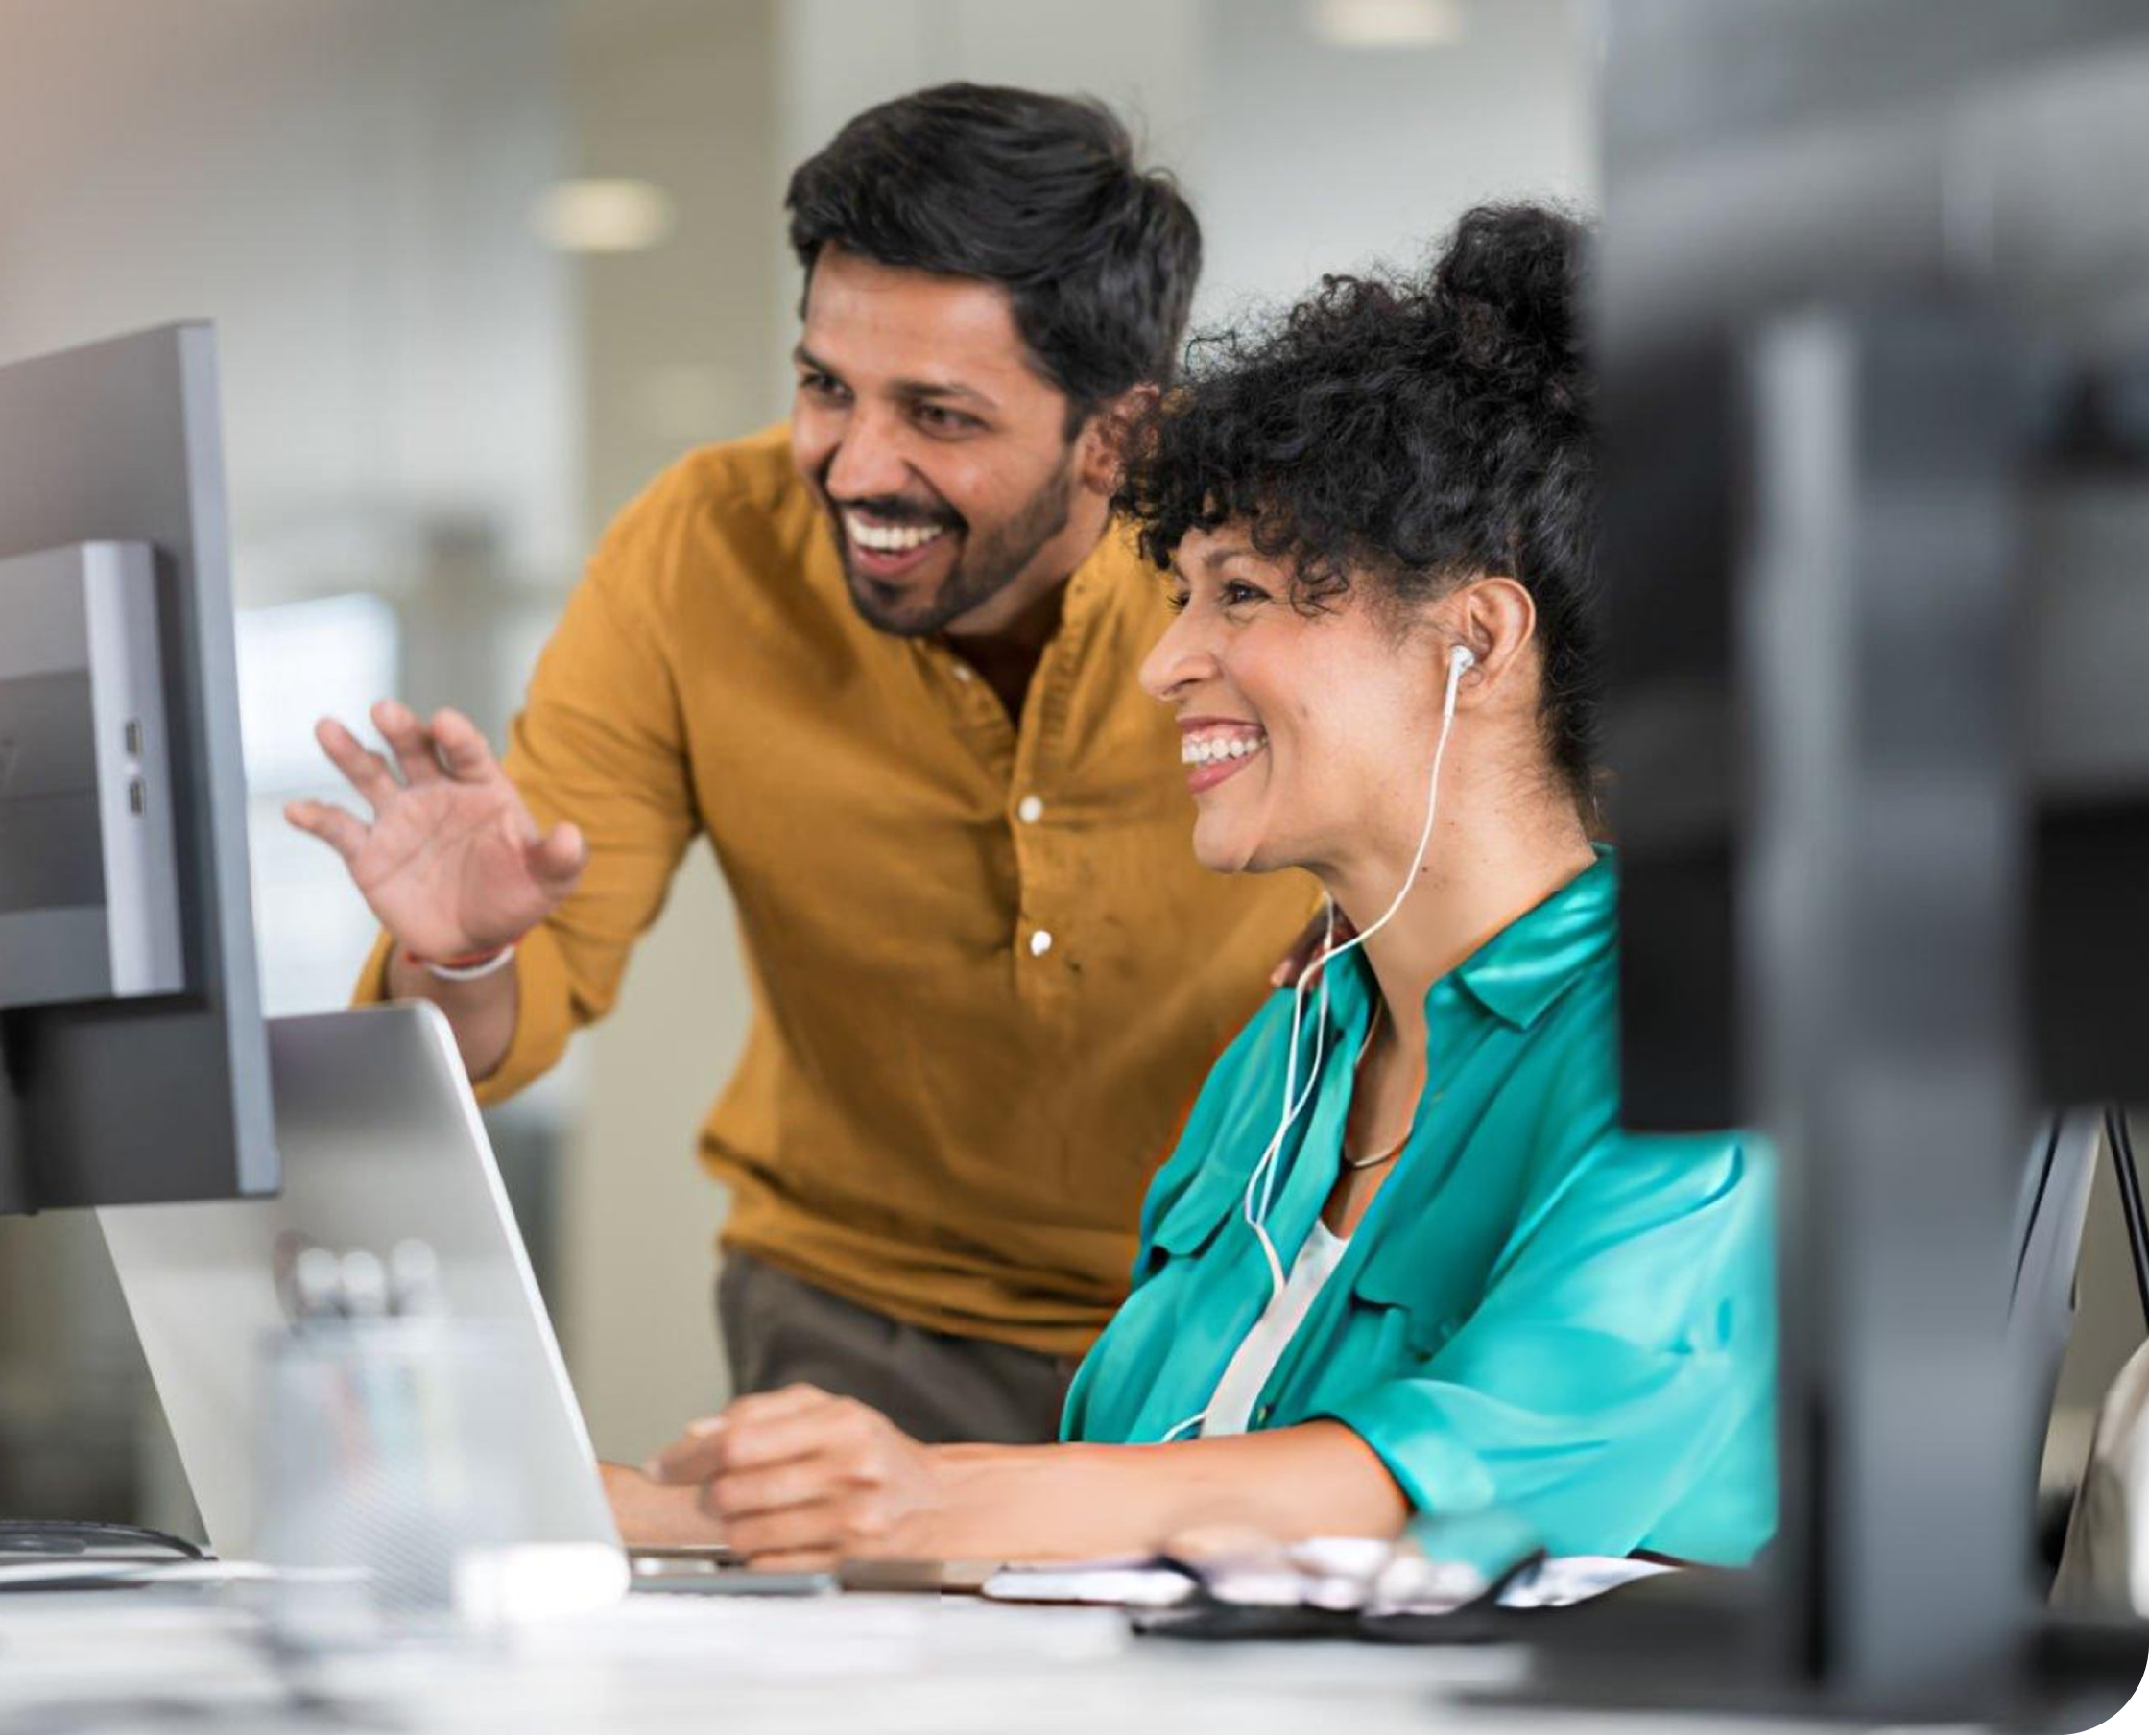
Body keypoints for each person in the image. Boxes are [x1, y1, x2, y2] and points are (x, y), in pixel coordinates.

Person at [642, 204, 1777, 1568]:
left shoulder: (1696, 1031)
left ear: (1476, 640)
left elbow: (1468, 1472)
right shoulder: (1292, 1050)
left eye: (1238, 597)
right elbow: (1126, 1478)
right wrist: (657, 1512)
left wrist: (922, 1499)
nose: (1164, 663)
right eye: (1182, 596)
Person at [286, 84, 1315, 1462]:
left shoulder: (1282, 574)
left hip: (1255, 1308)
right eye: (826, 387)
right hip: (862, 1324)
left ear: (1117, 439)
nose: (854, 464)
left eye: (938, 415)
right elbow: (524, 1003)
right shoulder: (700, 553)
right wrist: (465, 960)